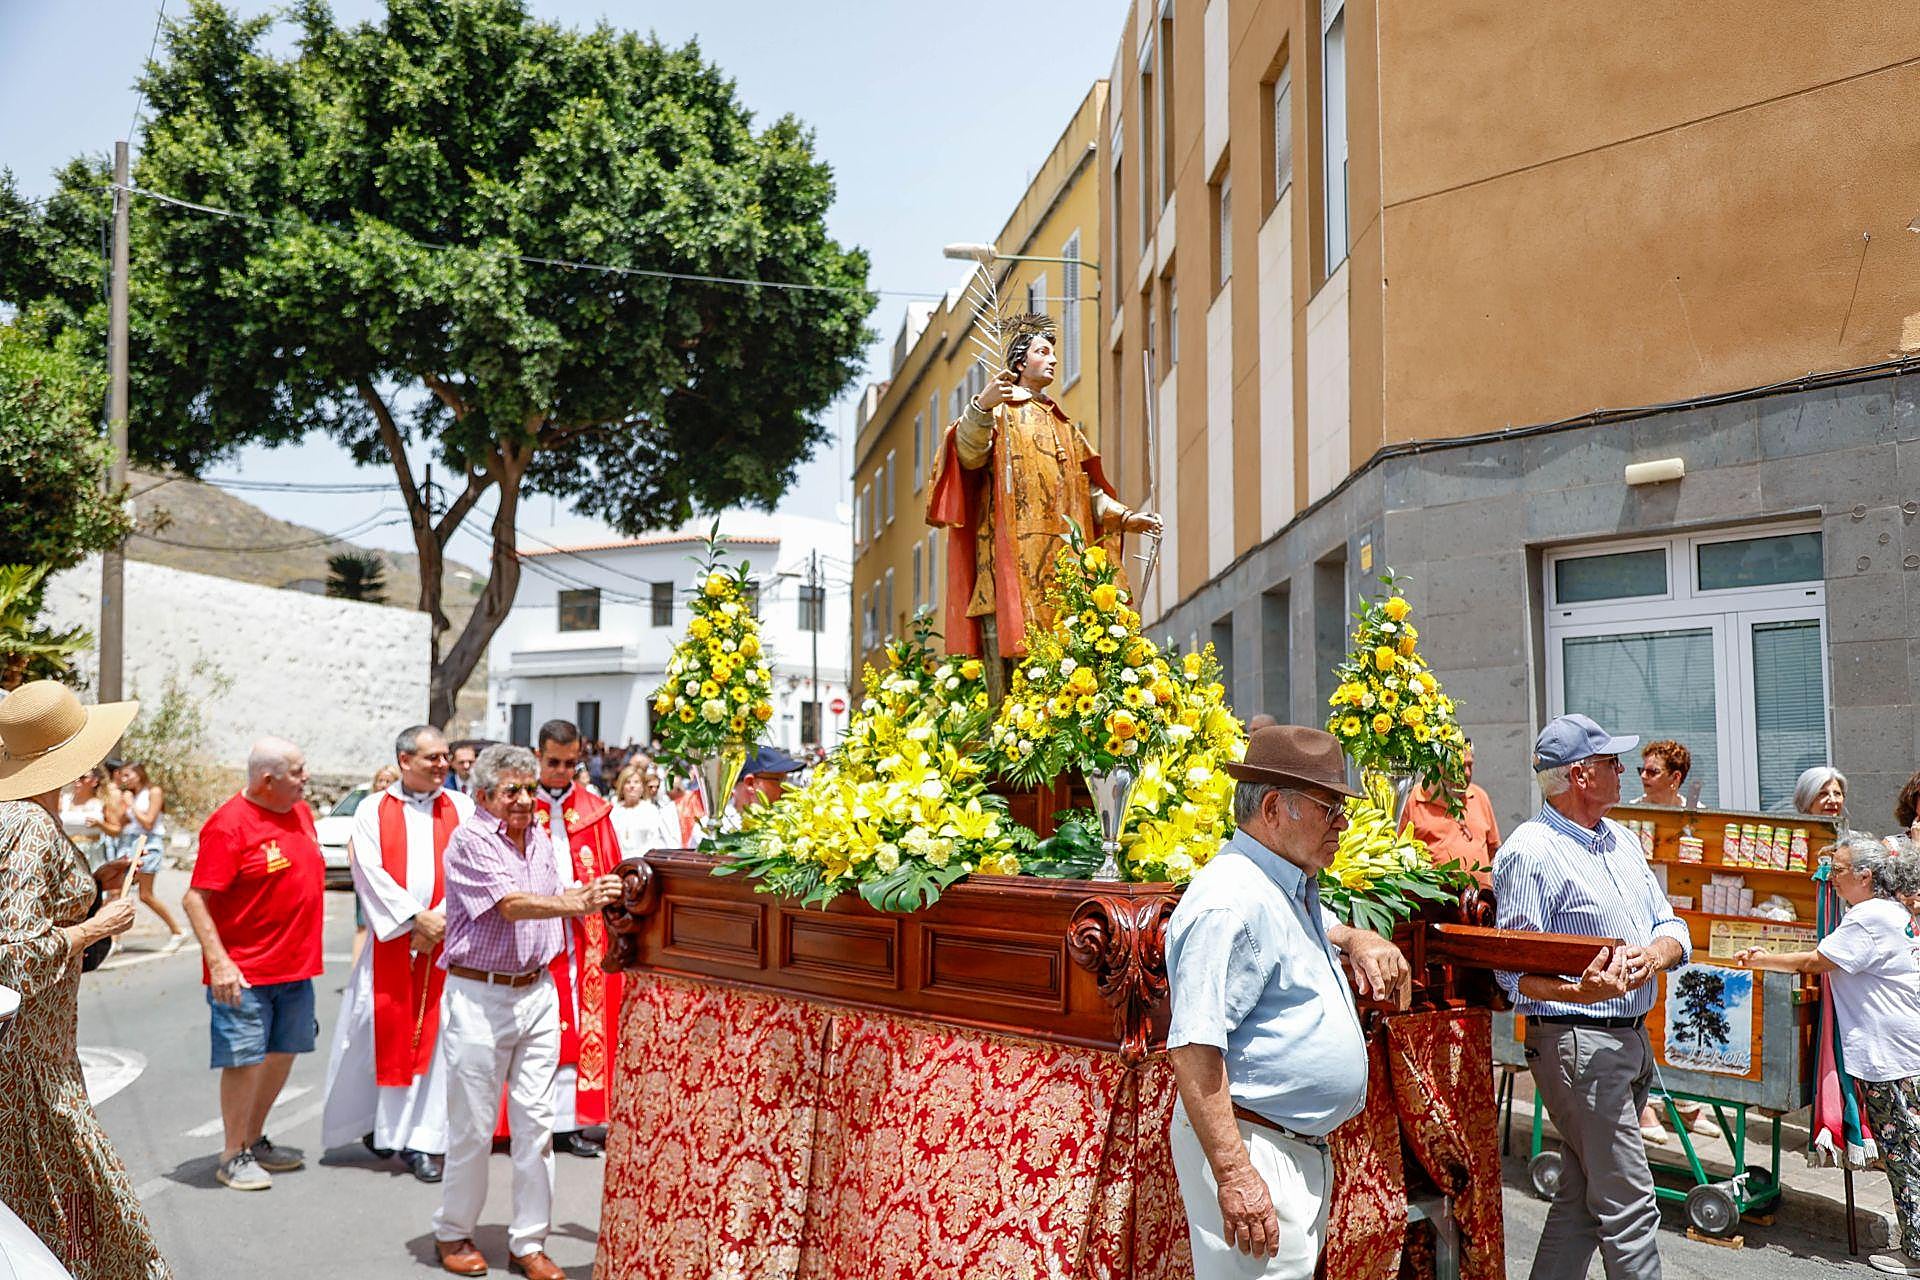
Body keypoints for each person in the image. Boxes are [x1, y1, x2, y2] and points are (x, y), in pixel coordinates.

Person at [1165, 725, 1412, 1278]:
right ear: (1274, 808)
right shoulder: (1229, 901)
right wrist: (1235, 1174)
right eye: (1329, 808)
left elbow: (1305, 924)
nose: (1342, 823)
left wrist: (1355, 937)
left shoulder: (1278, 881)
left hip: (1282, 1144)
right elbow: (1194, 1049)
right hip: (1254, 1147)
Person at [1494, 713, 1691, 1280]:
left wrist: (1656, 954)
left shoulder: (1621, 838)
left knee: (1583, 1201)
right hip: (1579, 1043)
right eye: (1612, 762)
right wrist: (1580, 990)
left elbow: (1671, 925)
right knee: (1630, 1207)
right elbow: (1512, 974)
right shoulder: (1531, 851)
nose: (1624, 771)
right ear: (1580, 775)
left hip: (1626, 1038)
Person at [430, 745, 622, 1280]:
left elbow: (550, 893)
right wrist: (579, 901)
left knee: (538, 1125)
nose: (522, 799)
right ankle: (453, 1231)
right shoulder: (470, 840)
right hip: (479, 996)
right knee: (472, 1126)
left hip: (536, 990)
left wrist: (591, 894)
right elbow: (511, 904)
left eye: (528, 789)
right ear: (482, 795)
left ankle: (529, 1241)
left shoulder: (536, 836)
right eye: (510, 790)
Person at [0, 681, 170, 1279]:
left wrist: (94, 886)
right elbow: (12, 952)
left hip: (41, 1054)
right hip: (26, 1065)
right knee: (86, 1217)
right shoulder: (29, 823)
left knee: (52, 1215)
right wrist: (97, 925)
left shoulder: (25, 817)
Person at [926, 313, 1161, 696]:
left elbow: (1086, 494)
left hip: (1063, 571)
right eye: (1042, 352)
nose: (1053, 359)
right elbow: (967, 453)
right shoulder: (998, 412)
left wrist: (1128, 518)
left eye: (1053, 353)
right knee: (1011, 688)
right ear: (1020, 364)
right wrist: (981, 407)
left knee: (1067, 682)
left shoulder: (1064, 426)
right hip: (1008, 570)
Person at [1736, 835, 1920, 1276]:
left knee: (1904, 1153)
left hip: (1891, 1057)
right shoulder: (1892, 912)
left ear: (1865, 875)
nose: (1831, 879)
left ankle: (1916, 1250)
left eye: (1838, 870)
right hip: (1904, 1049)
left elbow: (1817, 961)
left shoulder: (1868, 917)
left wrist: (1763, 959)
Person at [321, 725, 474, 1183]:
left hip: (447, 945)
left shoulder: (462, 807)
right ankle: (381, 1128)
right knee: (377, 1031)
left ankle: (423, 1140)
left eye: (446, 756)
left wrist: (439, 920)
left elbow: (471, 868)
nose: (443, 764)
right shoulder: (373, 809)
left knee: (439, 1041)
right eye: (433, 757)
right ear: (405, 760)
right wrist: (413, 920)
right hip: (392, 945)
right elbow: (368, 871)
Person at [181, 736, 326, 1192]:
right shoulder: (229, 826)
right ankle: (232, 1153)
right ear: (267, 780)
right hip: (245, 972)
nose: (306, 779)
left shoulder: (300, 812)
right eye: (297, 772)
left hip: (296, 968)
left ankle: (253, 1138)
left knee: (283, 1053)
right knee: (244, 1061)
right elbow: (195, 898)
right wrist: (219, 962)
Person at [528, 719, 626, 1157]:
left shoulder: (594, 810)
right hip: (534, 932)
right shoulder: (519, 806)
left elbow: (613, 867)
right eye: (553, 762)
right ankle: (527, 1120)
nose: (562, 772)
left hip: (583, 937)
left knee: (581, 1021)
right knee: (540, 1021)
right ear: (537, 757)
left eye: (570, 764)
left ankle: (572, 1121)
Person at [1399, 738, 1501, 886]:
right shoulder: (1412, 800)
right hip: (1435, 899)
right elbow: (1397, 856)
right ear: (1438, 766)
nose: (1467, 773)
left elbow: (1494, 851)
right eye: (1459, 766)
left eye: (1470, 765)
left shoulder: (1479, 797)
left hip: (1481, 898)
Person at [121, 761, 188, 949]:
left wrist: (131, 805)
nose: (125, 780)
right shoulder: (132, 795)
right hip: (131, 843)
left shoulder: (153, 792)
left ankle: (177, 930)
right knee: (119, 890)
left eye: (128, 775)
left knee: (145, 894)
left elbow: (149, 822)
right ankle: (114, 940)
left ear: (139, 773)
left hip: (148, 842)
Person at [608, 759, 676, 859]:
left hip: (643, 862)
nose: (632, 786)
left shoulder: (650, 811)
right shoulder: (614, 811)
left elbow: (656, 841)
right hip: (618, 862)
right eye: (628, 782)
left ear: (642, 787)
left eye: (636, 782)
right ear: (622, 787)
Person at [1635, 740, 1693, 808]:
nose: (1643, 776)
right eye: (1642, 770)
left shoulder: (1697, 811)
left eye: (1652, 772)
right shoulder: (1632, 810)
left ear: (1676, 777)